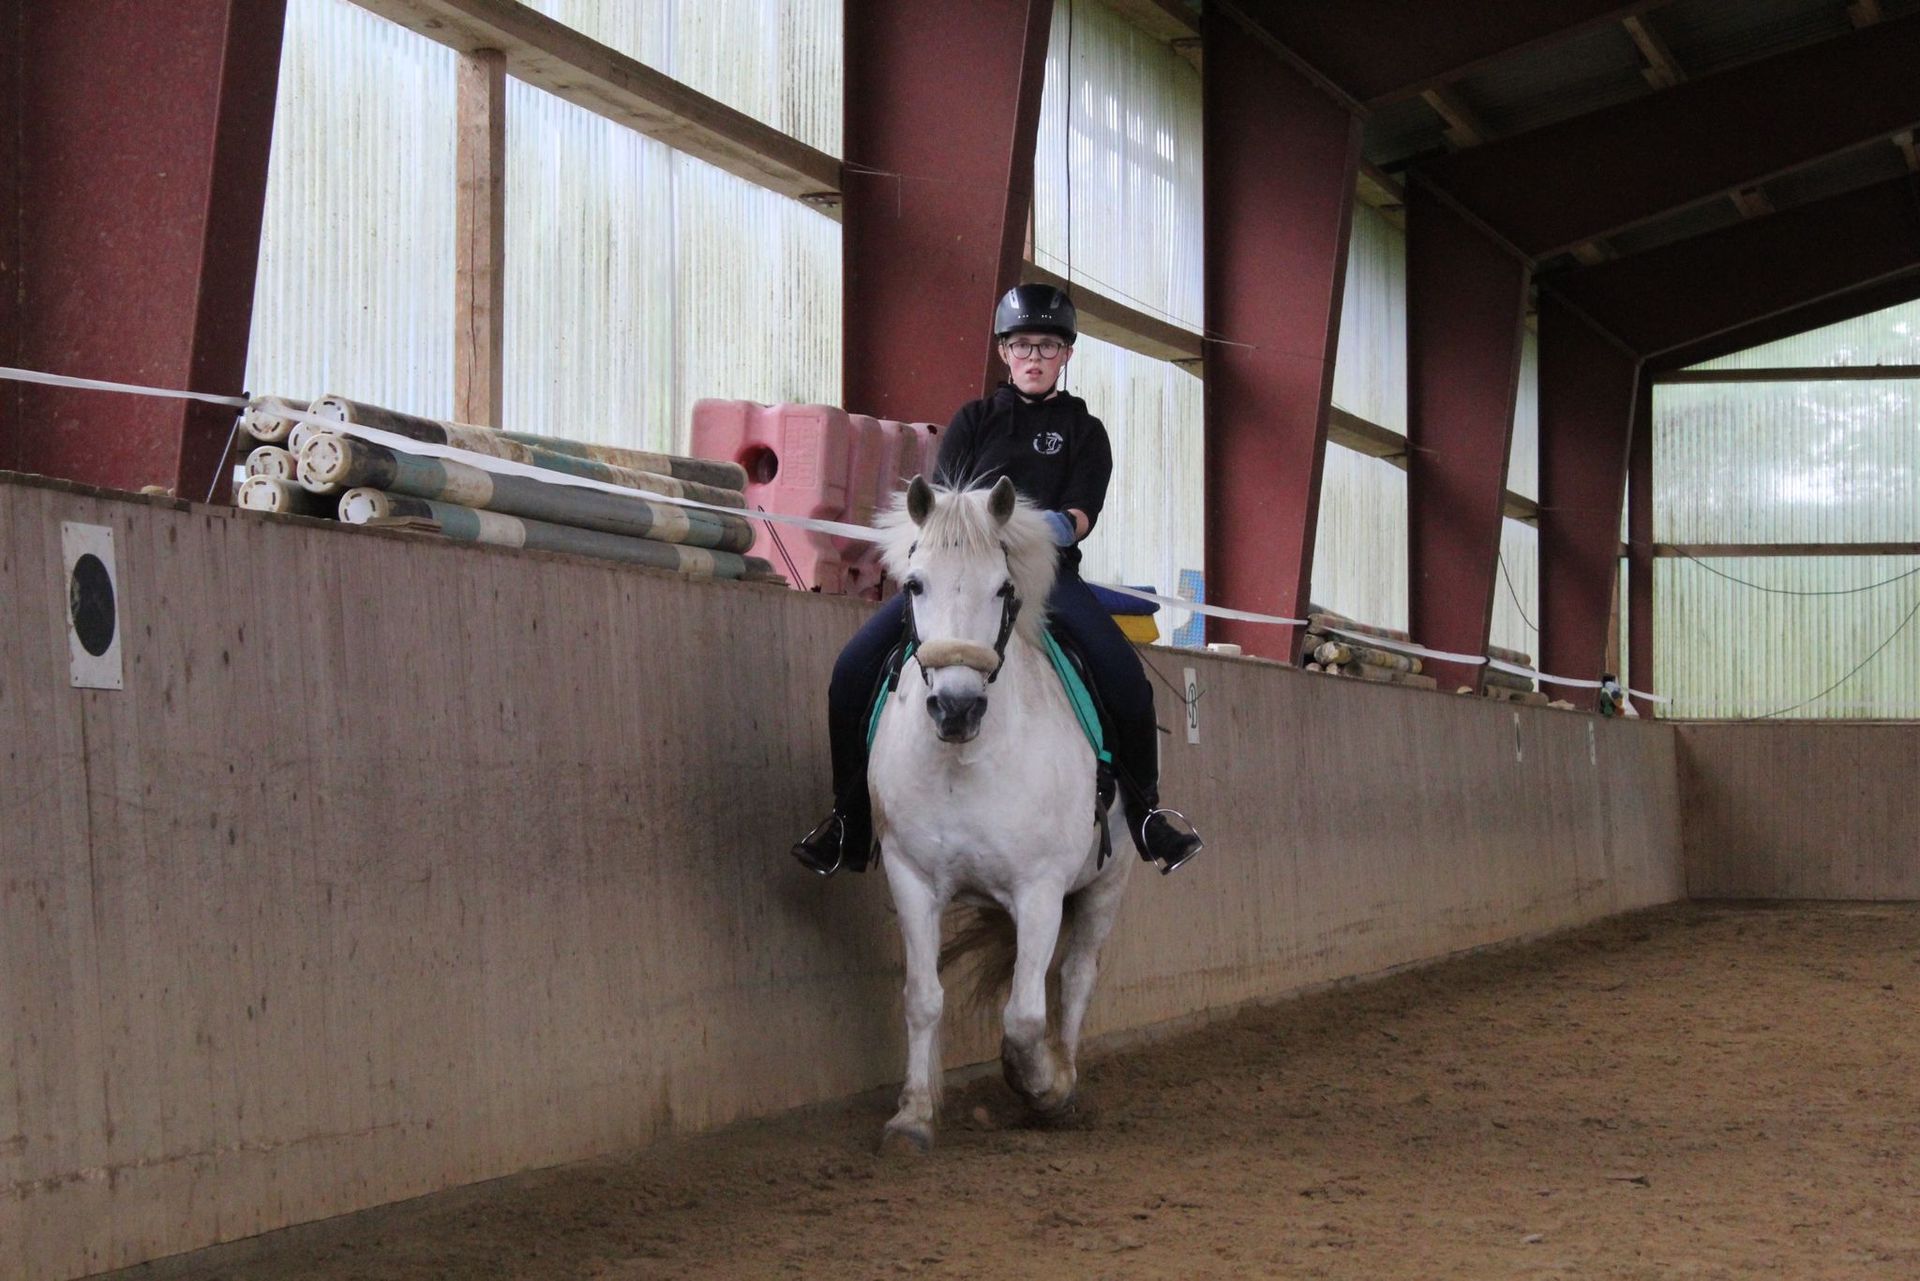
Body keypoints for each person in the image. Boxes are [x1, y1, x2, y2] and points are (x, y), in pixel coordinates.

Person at [790, 283, 1205, 878]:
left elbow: (1082, 514)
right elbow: (942, 504)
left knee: (1127, 682)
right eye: (1022, 345)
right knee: (853, 670)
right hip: (962, 576)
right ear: (1005, 352)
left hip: (1045, 576)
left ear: (1066, 354)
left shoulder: (1085, 431)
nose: (1034, 357)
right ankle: (848, 819)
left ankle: (1147, 816)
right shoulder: (974, 420)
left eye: (1047, 346)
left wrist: (1045, 528)